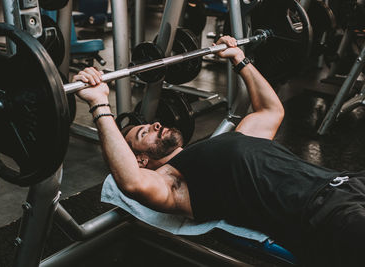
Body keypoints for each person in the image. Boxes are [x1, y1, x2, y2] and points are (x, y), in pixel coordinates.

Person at [73, 36, 365, 266]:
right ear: (140, 159)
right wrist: (99, 104)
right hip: (327, 216)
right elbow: (132, 182)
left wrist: (240, 59)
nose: (155, 124)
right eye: (143, 132)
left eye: (150, 124)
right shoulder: (174, 184)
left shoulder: (229, 142)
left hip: (348, 182)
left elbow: (270, 110)